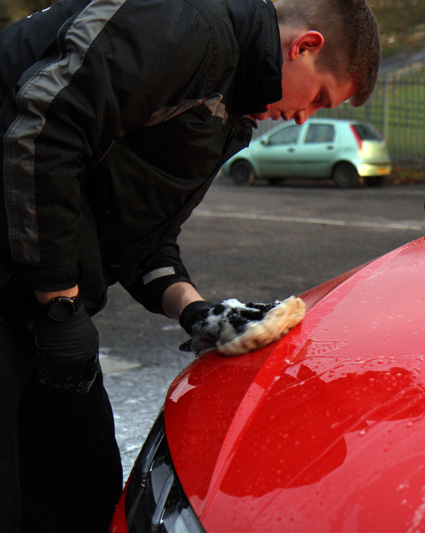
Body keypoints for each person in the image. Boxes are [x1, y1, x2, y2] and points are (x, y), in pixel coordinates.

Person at [0, 0, 381, 530]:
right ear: (304, 46)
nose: (301, 117)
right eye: (318, 98)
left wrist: (200, 312)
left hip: (41, 300)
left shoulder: (230, 116)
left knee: (82, 487)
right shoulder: (184, 22)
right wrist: (60, 305)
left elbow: (143, 239)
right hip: (31, 283)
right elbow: (41, 133)